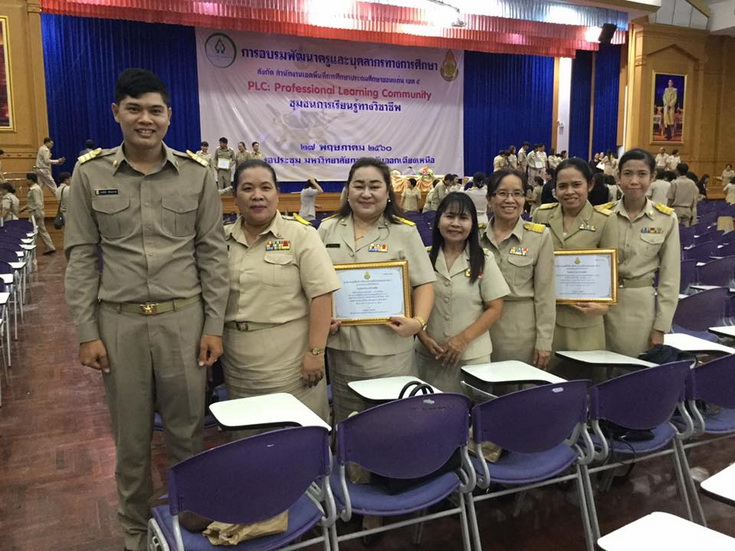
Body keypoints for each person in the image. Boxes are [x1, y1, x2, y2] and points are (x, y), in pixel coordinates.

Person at [63, 68, 229, 551]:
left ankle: (192, 517)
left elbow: (212, 255)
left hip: (184, 320)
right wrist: (87, 332)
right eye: (134, 109)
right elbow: (81, 258)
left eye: (155, 110)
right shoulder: (91, 174)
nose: (145, 119)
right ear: (117, 112)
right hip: (121, 324)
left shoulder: (195, 175)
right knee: (132, 440)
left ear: (169, 116)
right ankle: (134, 532)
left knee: (188, 432)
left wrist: (213, 325)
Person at [318, 157, 435, 423]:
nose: (366, 193)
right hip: (342, 352)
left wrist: (418, 323)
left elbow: (424, 283)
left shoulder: (404, 231)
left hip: (391, 351)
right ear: (348, 191)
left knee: (393, 423)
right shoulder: (327, 229)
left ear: (387, 192)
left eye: (374, 186)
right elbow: (314, 286)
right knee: (350, 422)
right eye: (359, 186)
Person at [223, 159, 339, 422]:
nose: (257, 196)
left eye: (265, 188)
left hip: (291, 365)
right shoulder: (220, 239)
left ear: (277, 194)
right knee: (249, 435)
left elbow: (321, 295)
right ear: (235, 197)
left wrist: (316, 353)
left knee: (296, 436)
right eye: (247, 189)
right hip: (237, 365)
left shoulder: (301, 235)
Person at [416, 193, 508, 392]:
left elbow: (495, 308)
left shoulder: (484, 259)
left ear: (472, 224)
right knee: (428, 407)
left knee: (472, 408)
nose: (455, 224)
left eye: (463, 218)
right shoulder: (423, 257)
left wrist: (462, 340)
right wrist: (423, 337)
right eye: (449, 216)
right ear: (438, 221)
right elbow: (410, 305)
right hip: (429, 356)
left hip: (472, 358)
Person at [533, 158, 618, 364]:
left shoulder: (604, 220)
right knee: (546, 377)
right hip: (546, 319)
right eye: (562, 186)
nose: (569, 191)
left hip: (585, 318)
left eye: (576, 185)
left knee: (584, 376)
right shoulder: (541, 215)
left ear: (590, 184)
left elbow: (610, 269)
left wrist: (604, 307)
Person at [604, 148, 680, 357]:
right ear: (618, 177)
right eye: (628, 174)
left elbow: (670, 278)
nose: (634, 181)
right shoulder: (602, 215)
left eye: (642, 174)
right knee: (597, 368)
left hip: (639, 306)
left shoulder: (665, 219)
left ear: (652, 177)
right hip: (602, 305)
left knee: (632, 367)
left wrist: (661, 326)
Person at [481, 170, 555, 369]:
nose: (510, 200)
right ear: (489, 199)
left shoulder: (539, 237)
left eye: (517, 193)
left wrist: (544, 341)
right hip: (477, 329)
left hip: (519, 334)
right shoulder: (475, 236)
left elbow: (545, 294)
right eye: (502, 193)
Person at [20, 172, 56, 254]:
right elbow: (31, 203)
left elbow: (37, 203)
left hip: (35, 214)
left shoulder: (34, 189)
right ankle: (50, 247)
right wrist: (23, 209)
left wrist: (36, 214)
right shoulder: (36, 188)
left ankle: (30, 250)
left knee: (32, 231)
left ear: (31, 180)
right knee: (42, 230)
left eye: (27, 179)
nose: (26, 181)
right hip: (37, 212)